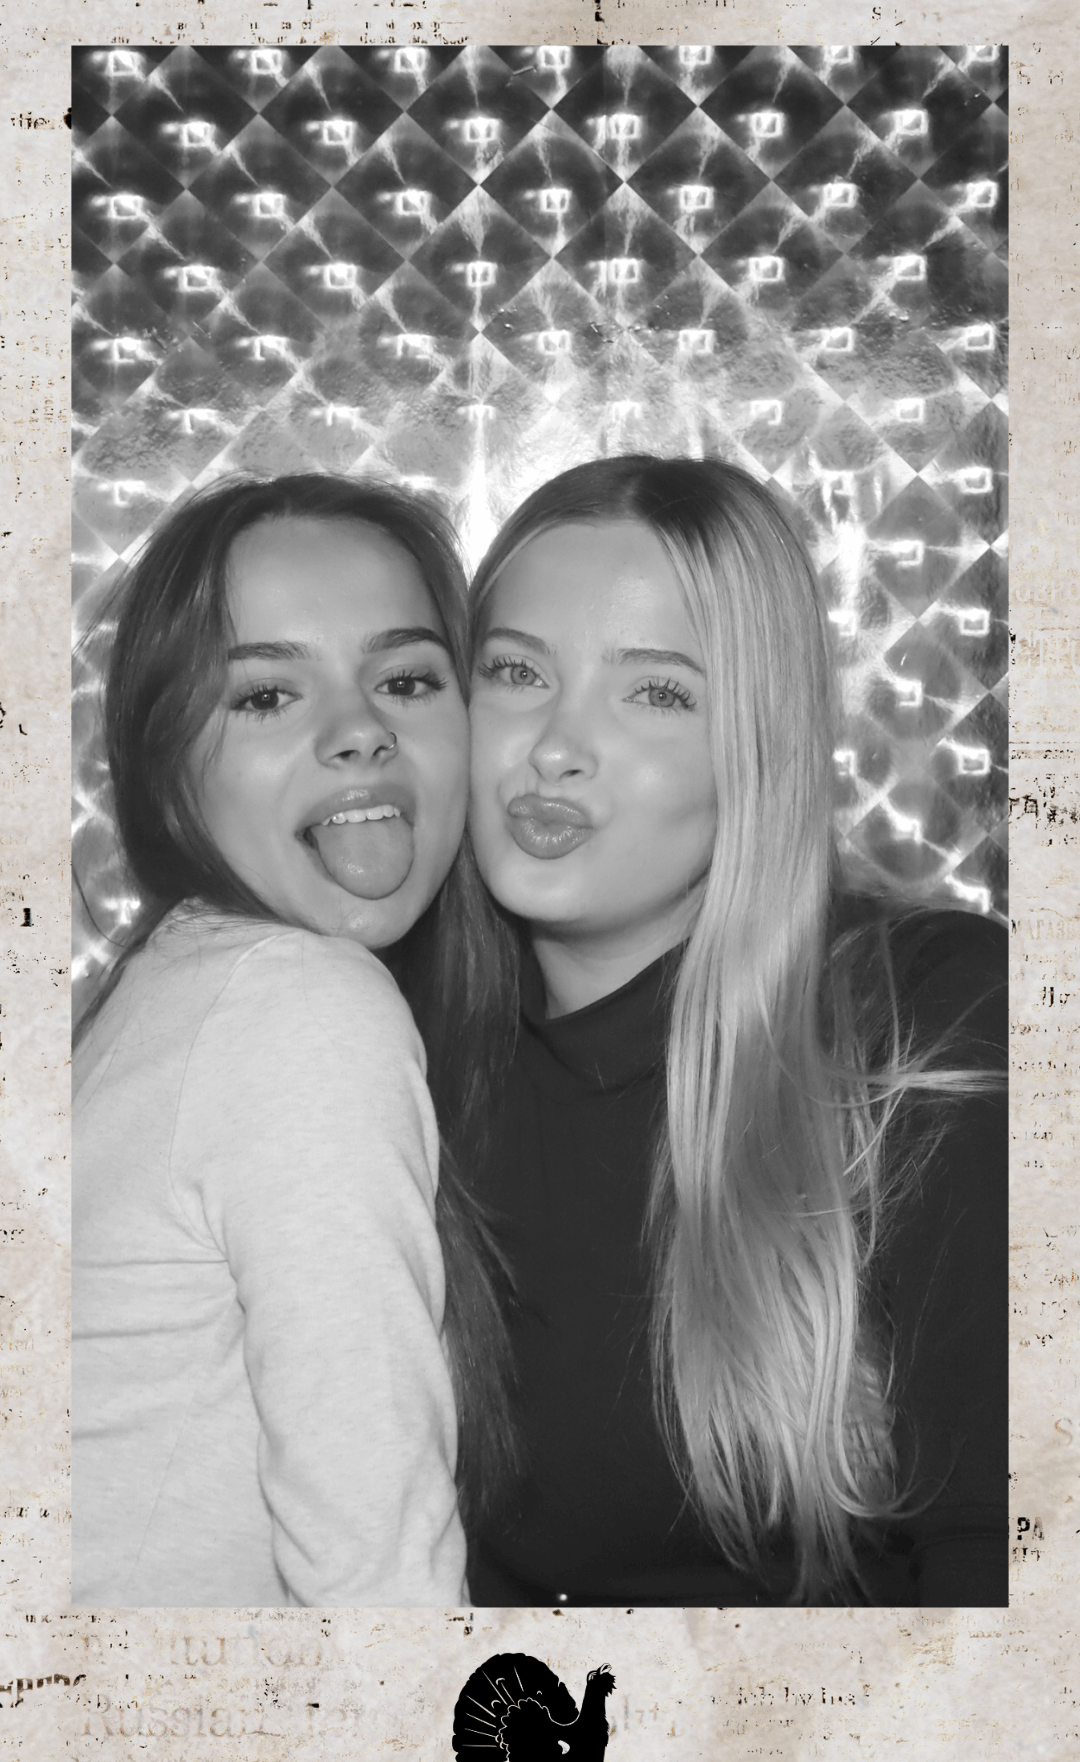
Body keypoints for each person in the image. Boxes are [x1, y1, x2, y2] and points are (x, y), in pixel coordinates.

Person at [463, 454, 1006, 1607]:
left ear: (758, 747)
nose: (554, 745)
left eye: (657, 693)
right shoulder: (389, 1057)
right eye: (515, 671)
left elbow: (1006, 1562)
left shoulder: (930, 1021)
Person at [72, 474, 515, 1607]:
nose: (360, 731)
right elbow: (379, 1587)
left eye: (406, 681)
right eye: (267, 695)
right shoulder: (296, 1008)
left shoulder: (183, 991)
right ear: (168, 761)